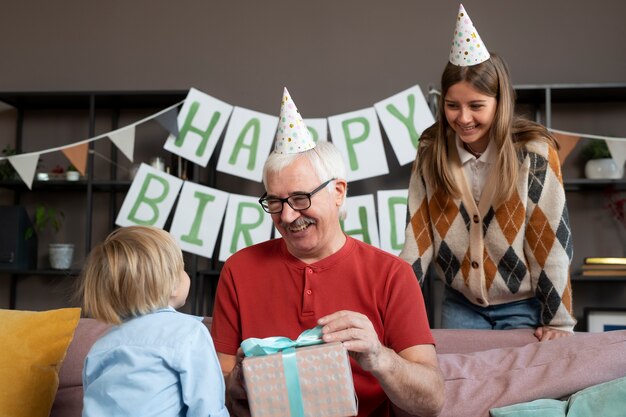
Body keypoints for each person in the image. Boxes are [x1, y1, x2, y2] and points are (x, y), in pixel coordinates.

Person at [210, 88, 444, 417]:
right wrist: (239, 379)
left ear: (338, 191)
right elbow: (215, 385)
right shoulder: (239, 269)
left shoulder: (392, 275)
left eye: (300, 198)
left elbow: (432, 399)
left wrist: (378, 356)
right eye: (275, 202)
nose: (288, 216)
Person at [400, 4, 576, 341]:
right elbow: (417, 241)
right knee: (461, 389)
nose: (463, 118)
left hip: (526, 307)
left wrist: (559, 323)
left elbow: (550, 241)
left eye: (476, 106)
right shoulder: (431, 153)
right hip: (460, 306)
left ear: (500, 102)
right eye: (453, 106)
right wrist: (392, 314)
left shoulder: (534, 153)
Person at [78, 226, 229, 417]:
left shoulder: (100, 346)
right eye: (182, 268)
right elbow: (207, 406)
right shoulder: (189, 332)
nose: (186, 274)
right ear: (173, 285)